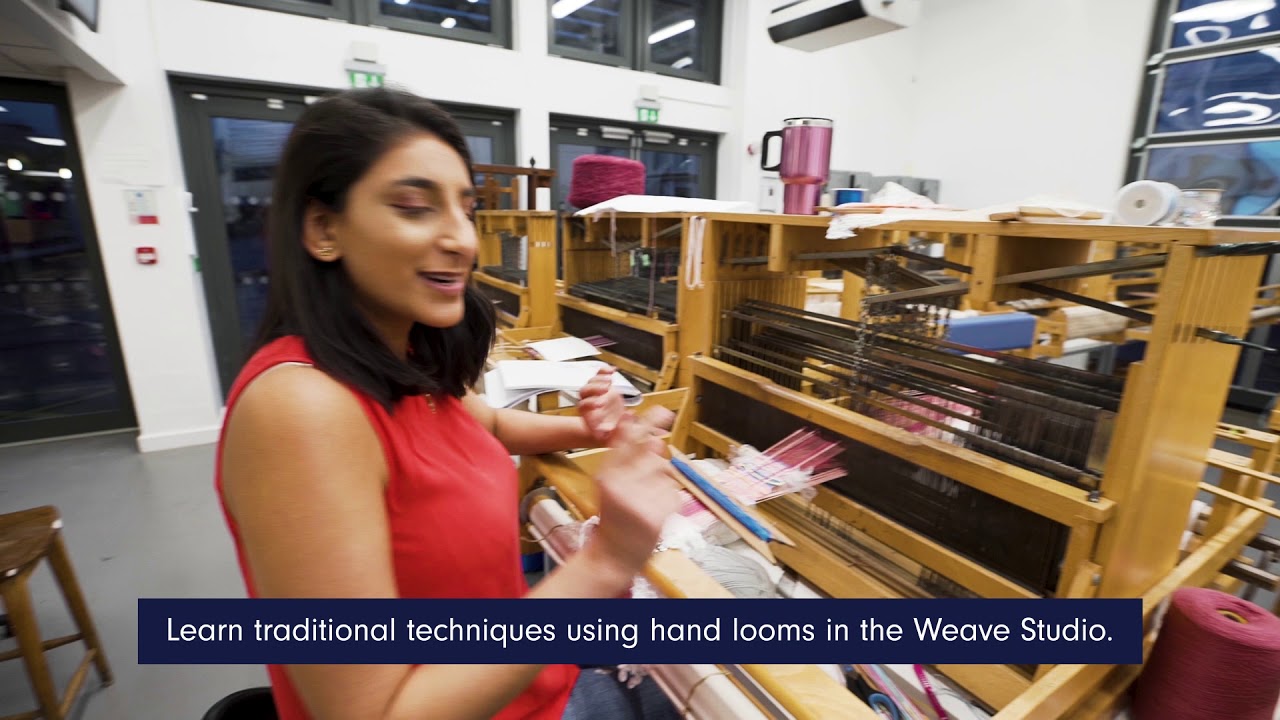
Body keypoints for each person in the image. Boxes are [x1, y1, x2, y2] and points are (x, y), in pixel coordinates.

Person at [215, 87, 683, 720]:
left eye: (466, 210)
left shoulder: (403, 363)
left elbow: (480, 423)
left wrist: (591, 429)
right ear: (325, 229)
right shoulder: (301, 410)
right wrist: (607, 561)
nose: (462, 240)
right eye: (414, 207)